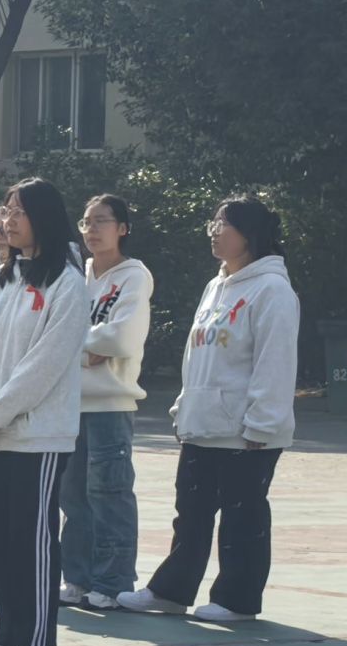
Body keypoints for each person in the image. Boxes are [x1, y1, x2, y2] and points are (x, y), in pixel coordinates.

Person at [122, 198, 301, 623]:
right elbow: (197, 356)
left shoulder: (272, 289)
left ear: (250, 233)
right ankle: (171, 591)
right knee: (191, 514)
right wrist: (185, 406)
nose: (215, 232)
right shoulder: (216, 286)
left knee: (242, 516)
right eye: (213, 224)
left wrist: (262, 422)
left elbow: (275, 361)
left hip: (246, 430)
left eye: (224, 224)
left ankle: (237, 600)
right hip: (204, 423)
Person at [0, 178, 87, 646]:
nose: (7, 220)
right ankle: (6, 635)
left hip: (35, 435)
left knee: (31, 540)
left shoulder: (67, 283)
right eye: (5, 210)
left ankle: (34, 642)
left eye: (19, 212)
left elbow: (45, 364)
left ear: (44, 218)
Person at [59, 195, 153, 610]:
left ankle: (113, 583)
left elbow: (121, 338)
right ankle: (77, 578)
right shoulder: (77, 277)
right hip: (69, 404)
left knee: (109, 494)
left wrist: (78, 347)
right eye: (86, 222)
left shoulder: (133, 276)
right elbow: (56, 334)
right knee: (73, 498)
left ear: (123, 228)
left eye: (102, 221)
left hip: (110, 405)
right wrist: (86, 351)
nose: (92, 230)